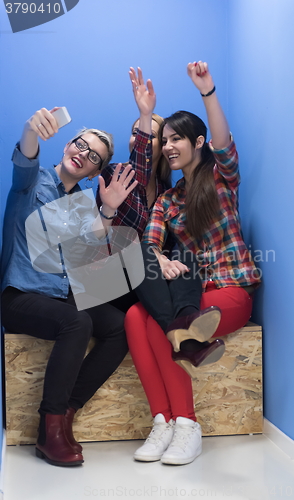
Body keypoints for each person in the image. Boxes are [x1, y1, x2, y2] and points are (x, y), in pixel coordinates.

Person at [124, 60, 261, 466]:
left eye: (175, 139)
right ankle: (162, 421)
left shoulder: (221, 177)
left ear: (196, 142)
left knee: (165, 318)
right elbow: (148, 242)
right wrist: (160, 258)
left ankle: (187, 425)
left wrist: (207, 91)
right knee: (135, 312)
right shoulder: (167, 201)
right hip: (190, 293)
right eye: (163, 140)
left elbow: (223, 141)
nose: (167, 146)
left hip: (230, 290)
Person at [1, 107, 138, 467]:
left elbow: (90, 265)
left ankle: (65, 413)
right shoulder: (33, 185)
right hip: (20, 297)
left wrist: (107, 212)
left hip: (61, 295)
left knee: (120, 326)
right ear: (66, 145)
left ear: (94, 172)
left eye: (94, 156)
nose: (84, 153)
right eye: (81, 144)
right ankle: (49, 432)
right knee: (77, 323)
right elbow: (26, 157)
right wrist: (31, 129)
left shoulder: (83, 206)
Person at [96, 68, 173, 312]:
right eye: (135, 133)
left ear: (163, 147)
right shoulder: (115, 174)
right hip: (110, 279)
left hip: (145, 281)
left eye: (149, 136)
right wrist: (145, 113)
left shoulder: (165, 191)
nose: (137, 140)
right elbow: (139, 170)